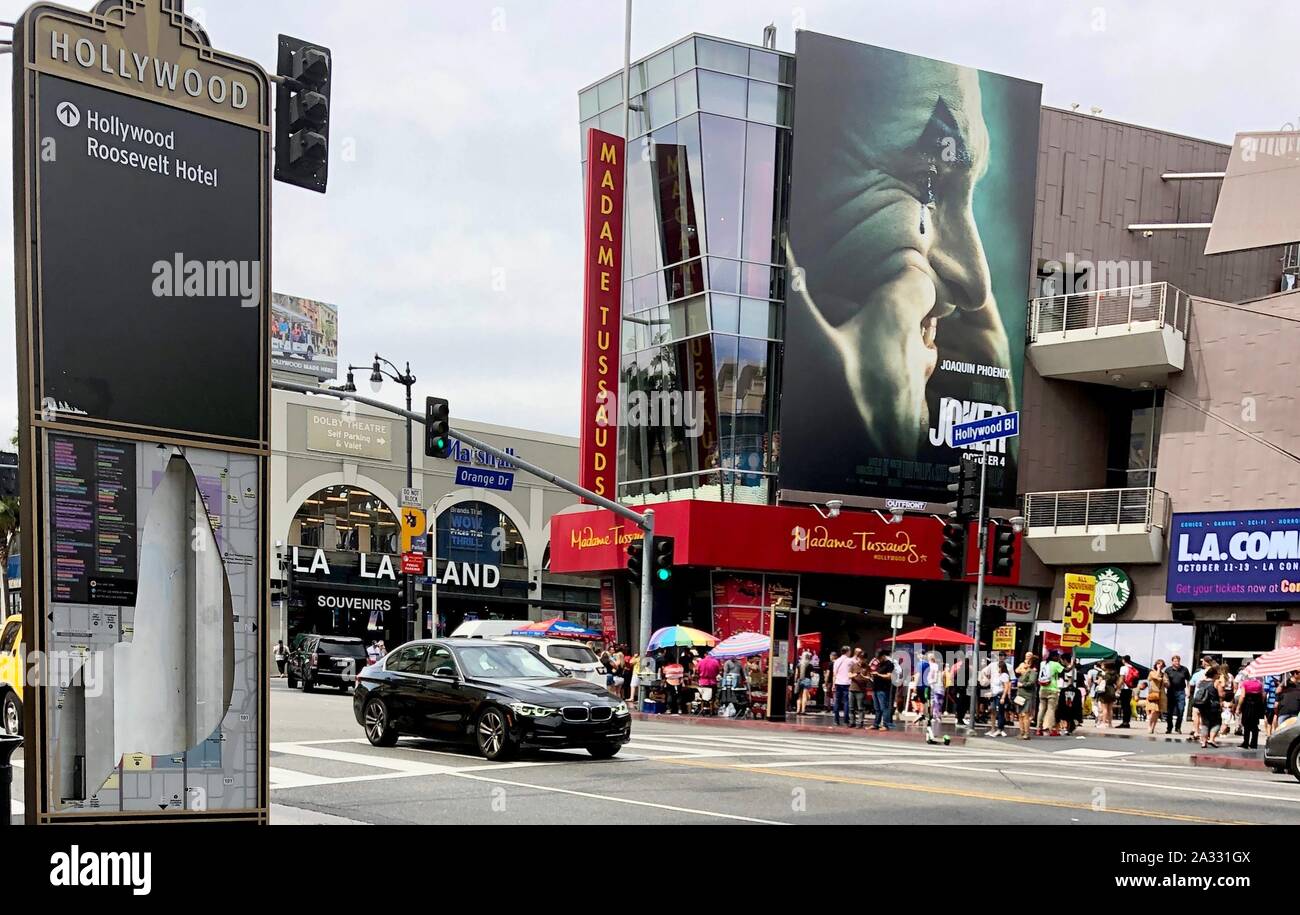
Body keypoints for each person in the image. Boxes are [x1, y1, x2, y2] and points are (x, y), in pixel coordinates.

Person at [1192, 664, 1223, 748]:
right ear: (1214, 674)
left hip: (1203, 705)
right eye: (1217, 674)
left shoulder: (1202, 682)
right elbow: (1221, 695)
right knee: (1217, 723)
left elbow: (1198, 688)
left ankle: (1203, 742)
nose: (1218, 675)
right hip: (1214, 705)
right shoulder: (1216, 682)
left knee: (1205, 723)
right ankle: (1212, 739)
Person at [1036, 650, 1063, 736]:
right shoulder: (1056, 664)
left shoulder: (1042, 663)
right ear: (1054, 657)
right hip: (1052, 689)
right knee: (1051, 709)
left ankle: (1038, 728)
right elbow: (1065, 670)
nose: (1058, 657)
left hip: (1042, 688)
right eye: (1058, 656)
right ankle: (1051, 729)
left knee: (1041, 709)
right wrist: (1067, 663)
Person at [1236, 672, 1264, 750]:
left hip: (1247, 705)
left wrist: (1238, 707)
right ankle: (1254, 743)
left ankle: (1245, 743)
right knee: (1255, 725)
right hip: (1256, 706)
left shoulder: (1245, 683)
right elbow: (1262, 695)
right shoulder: (1259, 684)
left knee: (1246, 724)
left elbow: (1242, 696)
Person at [1164, 655, 1191, 735]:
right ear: (1172, 662)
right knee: (1169, 711)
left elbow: (1188, 681)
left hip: (1181, 692)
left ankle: (1178, 727)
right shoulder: (1168, 670)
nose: (1177, 662)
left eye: (1178, 661)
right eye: (1175, 661)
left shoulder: (1184, 669)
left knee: (1181, 710)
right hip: (1171, 692)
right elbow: (1165, 681)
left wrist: (1188, 691)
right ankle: (1169, 727)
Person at [1014, 652, 1038, 740]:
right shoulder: (1022, 672)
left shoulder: (1033, 672)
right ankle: (1021, 732)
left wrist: (1022, 684)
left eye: (1028, 661)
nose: (1026, 663)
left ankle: (1026, 733)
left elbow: (1031, 683)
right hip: (1020, 694)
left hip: (1027, 695)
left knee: (1026, 714)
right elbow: (1016, 671)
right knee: (1020, 714)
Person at [925, 652, 947, 744]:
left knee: (935, 711)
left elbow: (929, 679)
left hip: (935, 690)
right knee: (937, 711)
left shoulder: (932, 667)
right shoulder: (939, 669)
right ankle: (935, 731)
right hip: (939, 690)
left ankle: (933, 731)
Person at [872, 649, 896, 730]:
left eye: (879, 658)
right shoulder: (879, 664)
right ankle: (876, 724)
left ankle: (886, 725)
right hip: (876, 688)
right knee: (877, 708)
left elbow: (889, 676)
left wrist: (878, 674)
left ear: (883, 656)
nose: (878, 660)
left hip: (883, 689)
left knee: (884, 707)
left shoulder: (889, 664)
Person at [988, 660, 1011, 737]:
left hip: (1000, 695)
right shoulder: (998, 675)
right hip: (994, 695)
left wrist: (1003, 697)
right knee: (993, 710)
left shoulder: (1004, 675)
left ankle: (1000, 729)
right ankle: (994, 728)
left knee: (1000, 712)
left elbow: (1006, 686)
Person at [848, 648, 869, 728]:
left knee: (860, 707)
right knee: (851, 707)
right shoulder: (853, 665)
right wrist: (855, 674)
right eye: (860, 658)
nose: (861, 660)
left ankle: (860, 722)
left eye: (863, 659)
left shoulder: (867, 667)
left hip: (861, 690)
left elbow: (868, 678)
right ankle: (852, 722)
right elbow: (849, 675)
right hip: (852, 689)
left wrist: (863, 676)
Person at [1145, 659, 1167, 735]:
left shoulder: (1164, 674)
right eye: (1159, 664)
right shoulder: (1152, 672)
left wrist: (1165, 682)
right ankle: (1149, 726)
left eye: (1162, 665)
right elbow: (1155, 677)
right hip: (1153, 693)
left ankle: (1153, 728)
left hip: (1161, 694)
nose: (1160, 666)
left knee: (1157, 712)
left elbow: (1167, 684)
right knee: (1153, 711)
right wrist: (1158, 669)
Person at [832, 646, 853, 727]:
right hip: (847, 683)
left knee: (837, 702)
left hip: (838, 683)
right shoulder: (850, 661)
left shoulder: (836, 661)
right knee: (846, 702)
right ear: (847, 651)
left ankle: (836, 720)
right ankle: (846, 720)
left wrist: (833, 684)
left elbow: (834, 674)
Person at [1117, 655, 1139, 728]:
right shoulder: (1132, 668)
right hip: (1130, 688)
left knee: (1124, 706)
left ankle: (1124, 722)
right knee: (1127, 705)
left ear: (1123, 660)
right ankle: (1127, 722)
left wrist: (1118, 688)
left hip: (1124, 688)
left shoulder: (1123, 668)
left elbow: (1121, 678)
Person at [697, 650, 721, 714]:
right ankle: (711, 710)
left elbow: (697, 671)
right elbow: (717, 671)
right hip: (712, 682)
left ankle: (703, 709)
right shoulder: (715, 662)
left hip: (702, 682)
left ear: (705, 654)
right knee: (712, 697)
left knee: (703, 696)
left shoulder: (700, 662)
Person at [795, 650, 814, 715]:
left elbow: (796, 674)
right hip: (807, 680)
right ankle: (803, 710)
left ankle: (798, 710)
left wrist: (795, 681)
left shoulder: (799, 664)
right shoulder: (810, 665)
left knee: (799, 696)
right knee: (804, 696)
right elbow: (812, 674)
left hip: (800, 680)